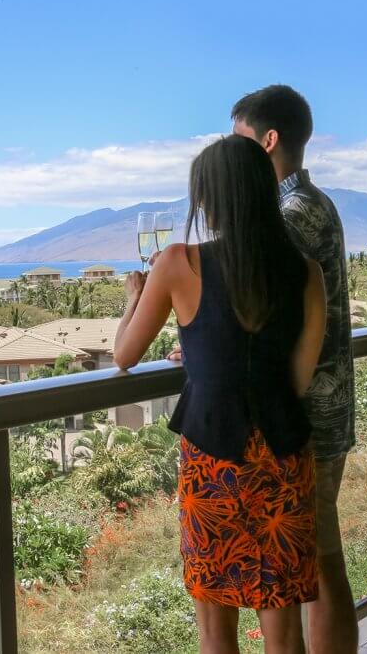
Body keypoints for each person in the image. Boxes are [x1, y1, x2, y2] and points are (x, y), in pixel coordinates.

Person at [116, 134, 327, 653]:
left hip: (214, 463)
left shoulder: (177, 264)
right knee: (283, 632)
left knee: (216, 631)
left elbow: (124, 354)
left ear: (209, 198)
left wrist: (134, 298)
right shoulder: (306, 272)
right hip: (282, 457)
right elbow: (295, 378)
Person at [231, 85, 358, 652]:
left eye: (239, 143)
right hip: (323, 407)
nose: (232, 159)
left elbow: (263, 310)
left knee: (317, 567)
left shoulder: (291, 212)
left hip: (307, 414)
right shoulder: (314, 201)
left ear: (269, 140)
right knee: (316, 562)